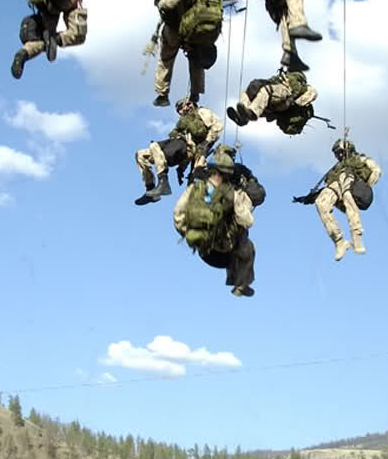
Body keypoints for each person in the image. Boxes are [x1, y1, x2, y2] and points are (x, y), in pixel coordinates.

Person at [173, 145, 261, 297]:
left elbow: (178, 215)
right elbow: (247, 221)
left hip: (203, 251)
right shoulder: (232, 194)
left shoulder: (195, 188)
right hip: (225, 254)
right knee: (249, 246)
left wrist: (193, 234)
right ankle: (240, 283)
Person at [294, 138, 381, 260]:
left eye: (340, 152)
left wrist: (367, 185)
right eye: (336, 153)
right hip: (338, 187)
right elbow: (329, 187)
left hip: (353, 184)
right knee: (321, 203)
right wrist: (308, 199)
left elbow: (376, 170)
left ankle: (357, 235)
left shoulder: (359, 159)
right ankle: (339, 241)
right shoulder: (335, 169)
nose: (338, 155)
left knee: (346, 192)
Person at [153, 0, 223, 107]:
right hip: (197, 35)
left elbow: (168, 4)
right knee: (195, 60)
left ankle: (162, 94)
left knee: (166, 59)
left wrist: (160, 3)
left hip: (176, 30)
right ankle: (195, 93)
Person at [135, 98, 223, 204]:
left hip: (187, 147)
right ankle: (151, 190)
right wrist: (181, 168)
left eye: (183, 106)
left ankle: (163, 183)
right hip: (176, 146)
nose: (182, 110)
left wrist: (206, 143)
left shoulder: (201, 112)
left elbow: (217, 126)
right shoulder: (183, 122)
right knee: (141, 154)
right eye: (179, 110)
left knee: (155, 145)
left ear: (191, 104)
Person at [227, 70, 318, 136]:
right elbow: (271, 82)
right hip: (272, 103)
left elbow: (312, 94)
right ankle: (243, 117)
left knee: (266, 90)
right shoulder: (282, 77)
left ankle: (253, 113)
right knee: (246, 93)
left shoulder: (302, 86)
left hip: (285, 97)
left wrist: (293, 102)